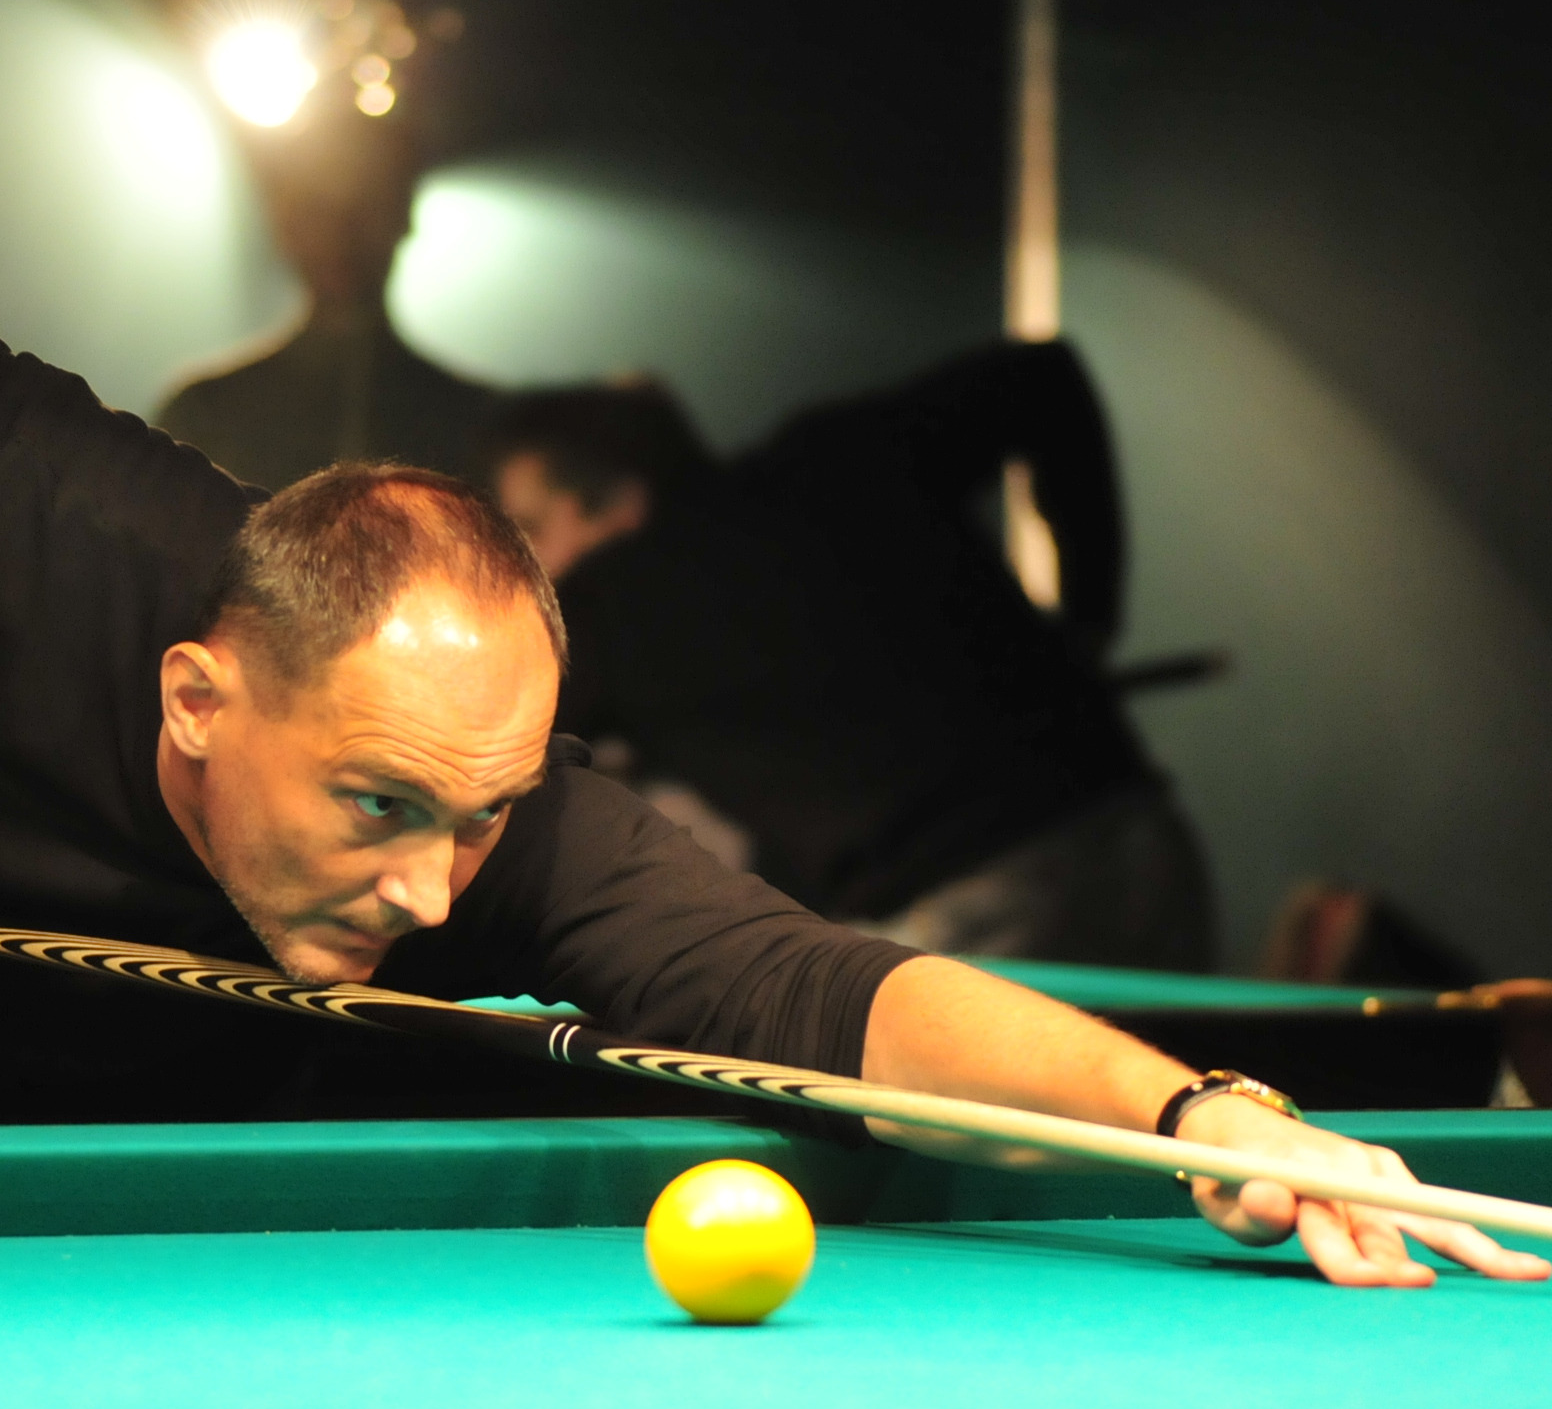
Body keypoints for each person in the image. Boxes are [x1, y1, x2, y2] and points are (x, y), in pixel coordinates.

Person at [0, 166, 1545, 1290]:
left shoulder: (501, 834)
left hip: (152, 1190)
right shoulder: (20, 509)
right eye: (375, 801)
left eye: (482, 814)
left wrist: (1201, 1115)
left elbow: (830, 988)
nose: (434, 889)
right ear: (196, 696)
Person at [483, 350, 1213, 971]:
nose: (535, 565)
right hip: (1137, 838)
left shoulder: (605, 608)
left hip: (974, 916)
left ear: (619, 500)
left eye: (534, 528)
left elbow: (492, 755)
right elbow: (1042, 376)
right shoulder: (836, 457)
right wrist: (1091, 611)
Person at [154, 88, 496, 491]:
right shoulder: (204, 413)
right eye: (318, 205)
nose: (342, 231)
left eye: (366, 202)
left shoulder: (484, 425)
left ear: (402, 214)